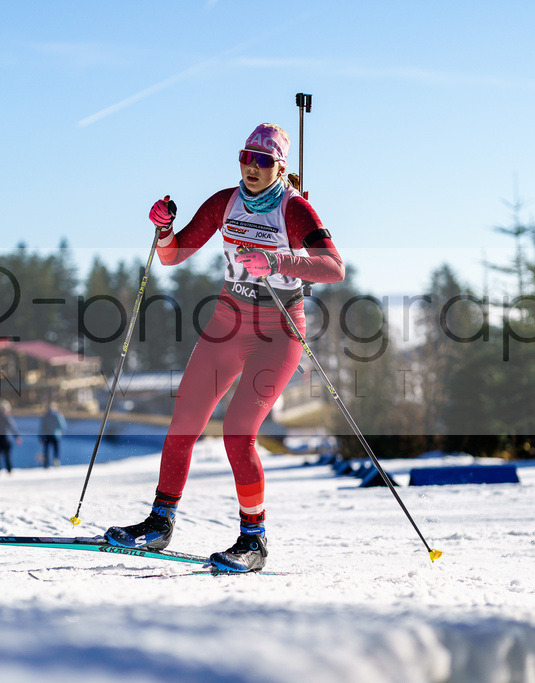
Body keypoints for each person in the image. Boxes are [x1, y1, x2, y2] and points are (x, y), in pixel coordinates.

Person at [104, 123, 345, 572]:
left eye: (263, 161)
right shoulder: (224, 202)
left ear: (280, 166)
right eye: (245, 157)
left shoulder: (295, 211)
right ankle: (159, 523)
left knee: (238, 433)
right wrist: (163, 229)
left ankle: (253, 541)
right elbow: (174, 255)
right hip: (226, 325)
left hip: (279, 332)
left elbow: (334, 268)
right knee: (183, 424)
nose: (251, 168)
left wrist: (276, 260)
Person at [0, 400, 22, 474]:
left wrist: (17, 437)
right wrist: (17, 437)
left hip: (0, 438)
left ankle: (0, 470)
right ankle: (7, 470)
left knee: (1, 456)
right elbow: (13, 428)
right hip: (4, 438)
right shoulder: (6, 417)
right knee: (4, 456)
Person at [39, 402, 67, 468]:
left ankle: (49, 462)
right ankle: (53, 461)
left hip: (51, 435)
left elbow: (42, 427)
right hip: (53, 435)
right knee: (53, 449)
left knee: (49, 449)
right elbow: (62, 425)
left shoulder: (48, 415)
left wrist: (41, 436)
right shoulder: (57, 415)